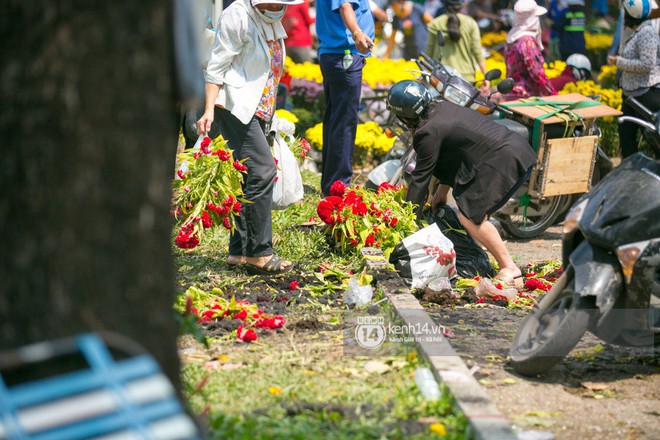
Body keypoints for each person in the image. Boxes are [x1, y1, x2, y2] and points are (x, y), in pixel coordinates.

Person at [386, 80, 537, 283]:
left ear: (405, 116)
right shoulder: (441, 107)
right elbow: (453, 156)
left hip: (501, 160)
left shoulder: (427, 132)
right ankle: (479, 256)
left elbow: (420, 180)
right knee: (471, 212)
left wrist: (408, 218)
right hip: (513, 149)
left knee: (471, 218)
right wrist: (441, 193)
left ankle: (509, 266)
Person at [197, 0, 300, 275]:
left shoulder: (269, 19)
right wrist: (208, 110)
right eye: (275, 1)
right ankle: (259, 252)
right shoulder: (238, 16)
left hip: (259, 108)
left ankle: (238, 251)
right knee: (263, 171)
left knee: (246, 175)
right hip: (234, 108)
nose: (280, 6)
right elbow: (216, 66)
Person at [316, 1, 376, 196]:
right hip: (344, 54)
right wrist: (357, 32)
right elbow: (345, 6)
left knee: (336, 120)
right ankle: (339, 188)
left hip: (337, 55)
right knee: (344, 123)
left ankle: (331, 184)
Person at [608, 0, 660, 158]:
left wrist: (620, 62)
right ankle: (630, 173)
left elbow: (647, 64)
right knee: (626, 136)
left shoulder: (646, 34)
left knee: (652, 137)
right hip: (632, 96)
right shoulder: (638, 32)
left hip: (645, 96)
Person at [426, 0, 490, 87]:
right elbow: (477, 51)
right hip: (466, 77)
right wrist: (486, 76)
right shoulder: (471, 23)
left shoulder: (435, 24)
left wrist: (425, 74)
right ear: (461, 5)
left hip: (440, 77)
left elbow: (428, 52)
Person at [504, 0, 557, 99]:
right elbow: (537, 74)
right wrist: (553, 95)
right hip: (527, 99)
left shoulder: (512, 38)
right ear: (531, 19)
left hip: (512, 95)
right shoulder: (527, 41)